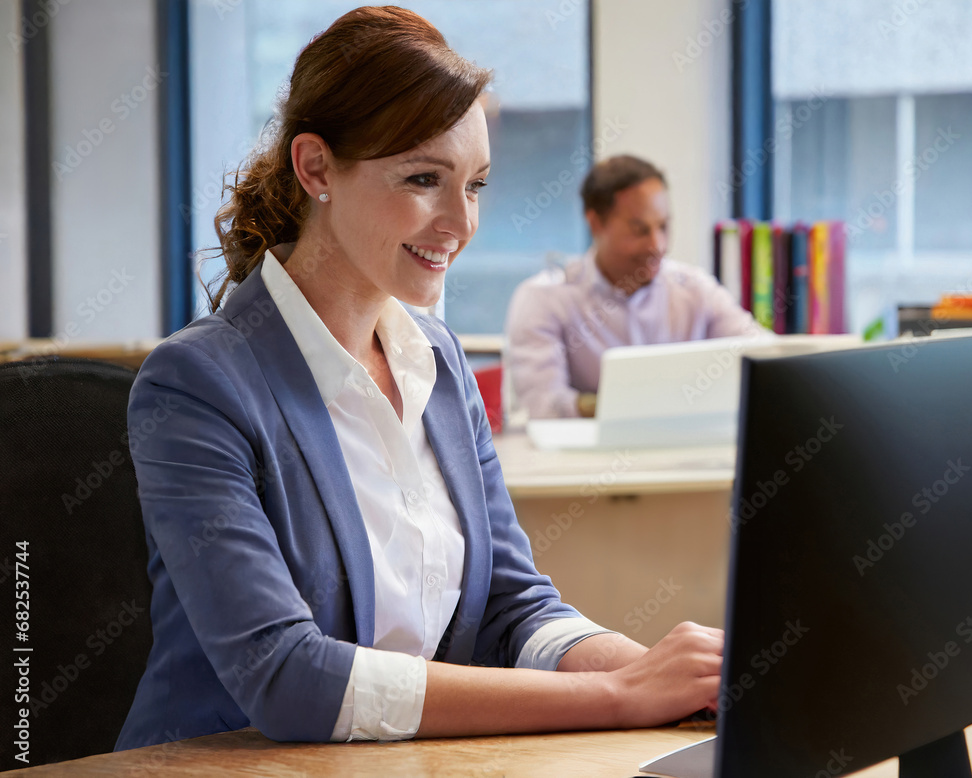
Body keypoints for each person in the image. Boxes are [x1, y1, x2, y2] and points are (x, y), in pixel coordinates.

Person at [115, 7, 722, 750]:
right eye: (424, 179)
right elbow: (286, 676)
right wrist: (619, 695)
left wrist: (678, 683)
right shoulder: (197, 385)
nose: (460, 223)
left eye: (475, 186)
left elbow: (509, 606)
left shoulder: (436, 358)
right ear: (315, 169)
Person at [505, 155, 764, 419]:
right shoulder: (545, 299)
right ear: (596, 223)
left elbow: (764, 356)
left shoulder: (696, 290)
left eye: (663, 227)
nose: (657, 245)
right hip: (590, 459)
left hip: (689, 455)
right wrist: (639, 407)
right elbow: (543, 405)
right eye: (639, 230)